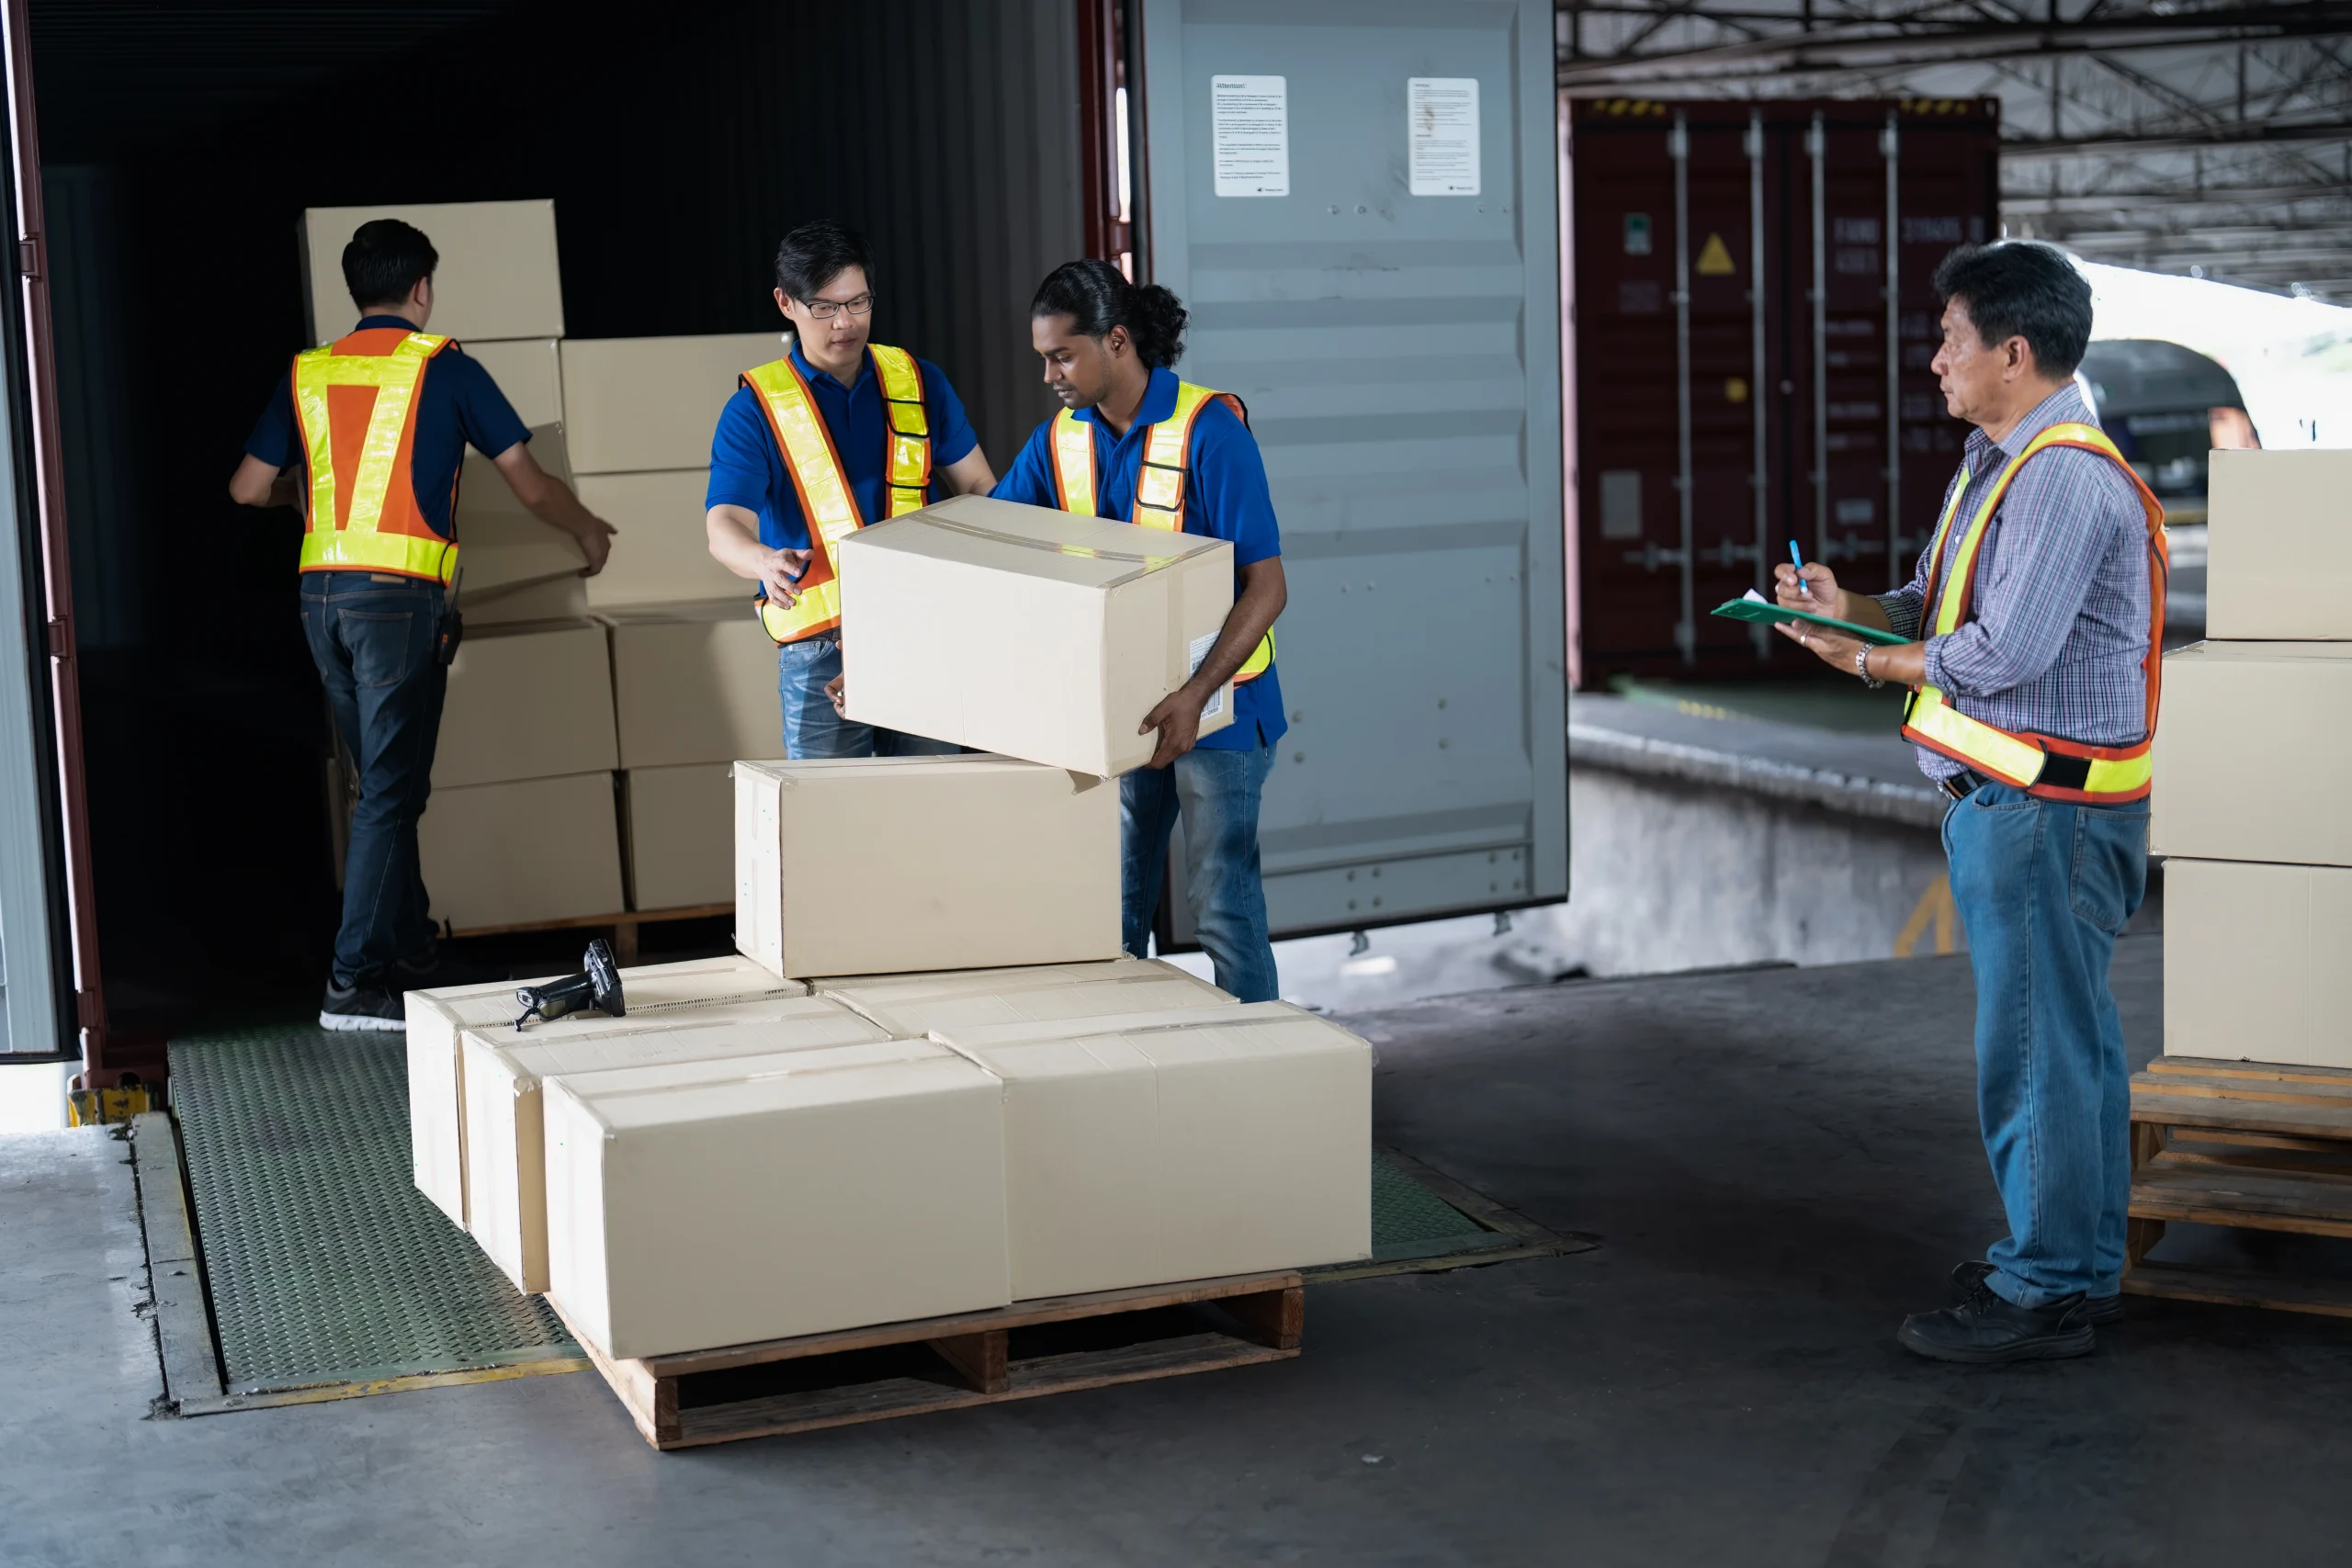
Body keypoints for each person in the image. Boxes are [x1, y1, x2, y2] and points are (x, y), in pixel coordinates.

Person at [1773, 242, 2165, 1363]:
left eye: (1949, 338)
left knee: (2036, 1051)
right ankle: (2074, 1267)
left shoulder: (2063, 478)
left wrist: (1864, 665)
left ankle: (2044, 1290)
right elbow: (1933, 606)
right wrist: (1850, 608)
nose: (1933, 359)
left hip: (2043, 810)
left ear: (2014, 351)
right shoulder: (1996, 460)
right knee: (2069, 1048)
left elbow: (1999, 653)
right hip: (2023, 805)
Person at [230, 219, 616, 1032]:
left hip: (320, 600)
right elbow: (531, 483)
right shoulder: (446, 368)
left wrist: (297, 497)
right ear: (422, 289)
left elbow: (244, 488)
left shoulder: (308, 372)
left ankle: (408, 948)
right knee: (390, 793)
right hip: (396, 605)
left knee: (384, 787)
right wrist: (586, 531)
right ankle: (352, 984)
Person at [989, 261, 1288, 1003]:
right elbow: (989, 542)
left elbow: (1268, 588)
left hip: (1218, 710)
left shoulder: (1210, 430)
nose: (1050, 374)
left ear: (1116, 340)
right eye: (1043, 359)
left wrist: (1193, 694)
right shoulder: (1059, 441)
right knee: (1113, 907)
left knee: (1222, 903)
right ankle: (1129, 1070)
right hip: (1124, 713)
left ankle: (1262, 1079)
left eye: (1062, 355)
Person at [704, 220, 995, 758]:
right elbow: (724, 526)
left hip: (921, 633)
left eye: (859, 303)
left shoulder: (917, 380)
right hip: (821, 652)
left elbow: (978, 485)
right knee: (834, 824)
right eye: (825, 307)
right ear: (785, 303)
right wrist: (764, 562)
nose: (845, 323)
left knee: (933, 811)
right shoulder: (756, 409)